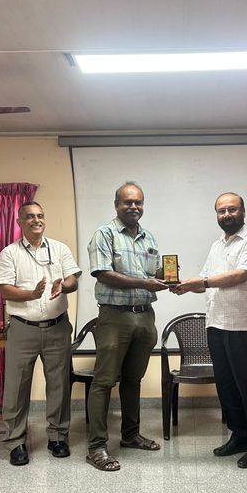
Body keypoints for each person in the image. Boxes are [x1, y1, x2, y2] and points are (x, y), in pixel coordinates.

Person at [171, 192, 247, 468]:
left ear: (243, 211)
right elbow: (207, 278)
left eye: (232, 209)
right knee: (227, 387)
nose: (227, 214)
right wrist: (183, 285)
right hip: (217, 324)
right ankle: (239, 436)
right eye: (221, 211)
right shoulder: (217, 245)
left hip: (245, 326)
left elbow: (240, 275)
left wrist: (201, 283)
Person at [85, 182, 166, 472]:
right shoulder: (104, 234)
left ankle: (131, 436)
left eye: (138, 202)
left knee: (133, 380)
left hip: (145, 316)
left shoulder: (149, 237)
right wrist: (146, 282)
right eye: (128, 202)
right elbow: (102, 273)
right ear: (116, 204)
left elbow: (152, 273)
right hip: (115, 317)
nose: (134, 207)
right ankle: (96, 447)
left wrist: (168, 276)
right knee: (104, 381)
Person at [0, 201, 82, 466]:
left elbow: (73, 279)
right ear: (19, 222)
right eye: (30, 216)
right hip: (23, 328)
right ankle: (16, 442)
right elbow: (5, 289)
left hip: (57, 327)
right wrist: (31, 294)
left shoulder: (60, 248)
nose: (36, 220)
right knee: (17, 387)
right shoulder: (9, 253)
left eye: (40, 215)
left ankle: (58, 437)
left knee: (59, 384)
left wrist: (63, 287)